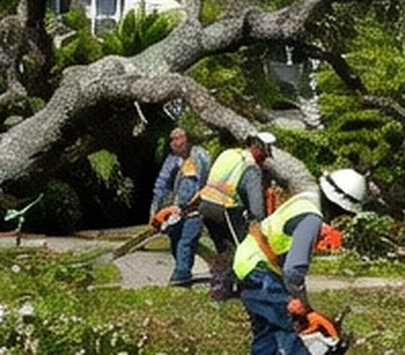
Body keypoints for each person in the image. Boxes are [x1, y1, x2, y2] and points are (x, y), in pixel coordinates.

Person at [235, 168, 368, 355]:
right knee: (288, 331)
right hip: (260, 270)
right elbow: (293, 270)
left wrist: (304, 305)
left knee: (267, 334)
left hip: (246, 263)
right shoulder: (311, 219)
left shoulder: (304, 200)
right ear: (339, 207)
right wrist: (305, 308)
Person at [200, 131, 276, 288]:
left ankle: (221, 285)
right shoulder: (251, 168)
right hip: (225, 209)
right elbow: (255, 203)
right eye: (264, 155)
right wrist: (260, 223)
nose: (264, 160)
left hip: (206, 206)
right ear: (257, 150)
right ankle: (241, 285)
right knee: (240, 249)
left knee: (223, 249)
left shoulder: (229, 154)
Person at [148, 126, 212, 285]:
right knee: (175, 240)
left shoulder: (199, 156)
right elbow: (161, 185)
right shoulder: (172, 160)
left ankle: (181, 273)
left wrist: (186, 205)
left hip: (194, 209)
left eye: (178, 138)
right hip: (173, 210)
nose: (174, 143)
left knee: (186, 241)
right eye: (172, 139)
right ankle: (183, 271)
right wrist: (155, 210)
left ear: (187, 139)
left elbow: (199, 185)